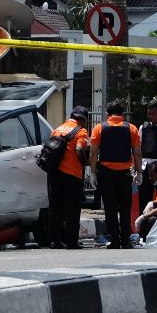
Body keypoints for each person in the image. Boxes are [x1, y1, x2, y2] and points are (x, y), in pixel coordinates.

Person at [89, 100, 143, 249]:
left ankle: (114, 240)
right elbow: (137, 153)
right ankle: (125, 240)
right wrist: (139, 172)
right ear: (122, 113)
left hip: (106, 174)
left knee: (110, 208)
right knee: (125, 208)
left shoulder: (99, 128)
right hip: (125, 174)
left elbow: (94, 152)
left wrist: (92, 172)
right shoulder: (131, 128)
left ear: (107, 113)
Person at [47, 106, 90, 249]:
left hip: (54, 174)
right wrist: (86, 162)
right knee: (72, 210)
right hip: (72, 175)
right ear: (83, 119)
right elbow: (79, 150)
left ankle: (55, 241)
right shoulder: (81, 131)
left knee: (55, 208)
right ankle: (71, 242)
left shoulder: (57, 129)